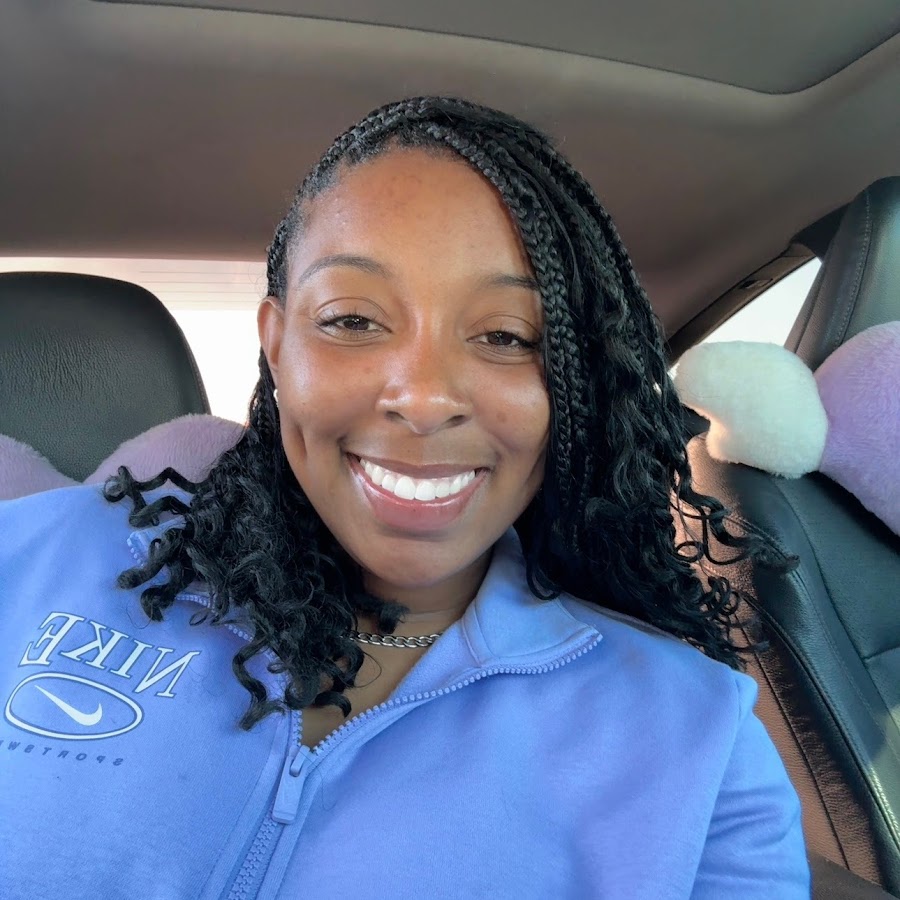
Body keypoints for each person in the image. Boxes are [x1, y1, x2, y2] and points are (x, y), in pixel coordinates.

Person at [0, 97, 809, 899]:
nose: (423, 399)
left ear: (572, 386)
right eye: (352, 320)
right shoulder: (29, 558)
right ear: (277, 347)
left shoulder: (701, 747)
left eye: (506, 336)